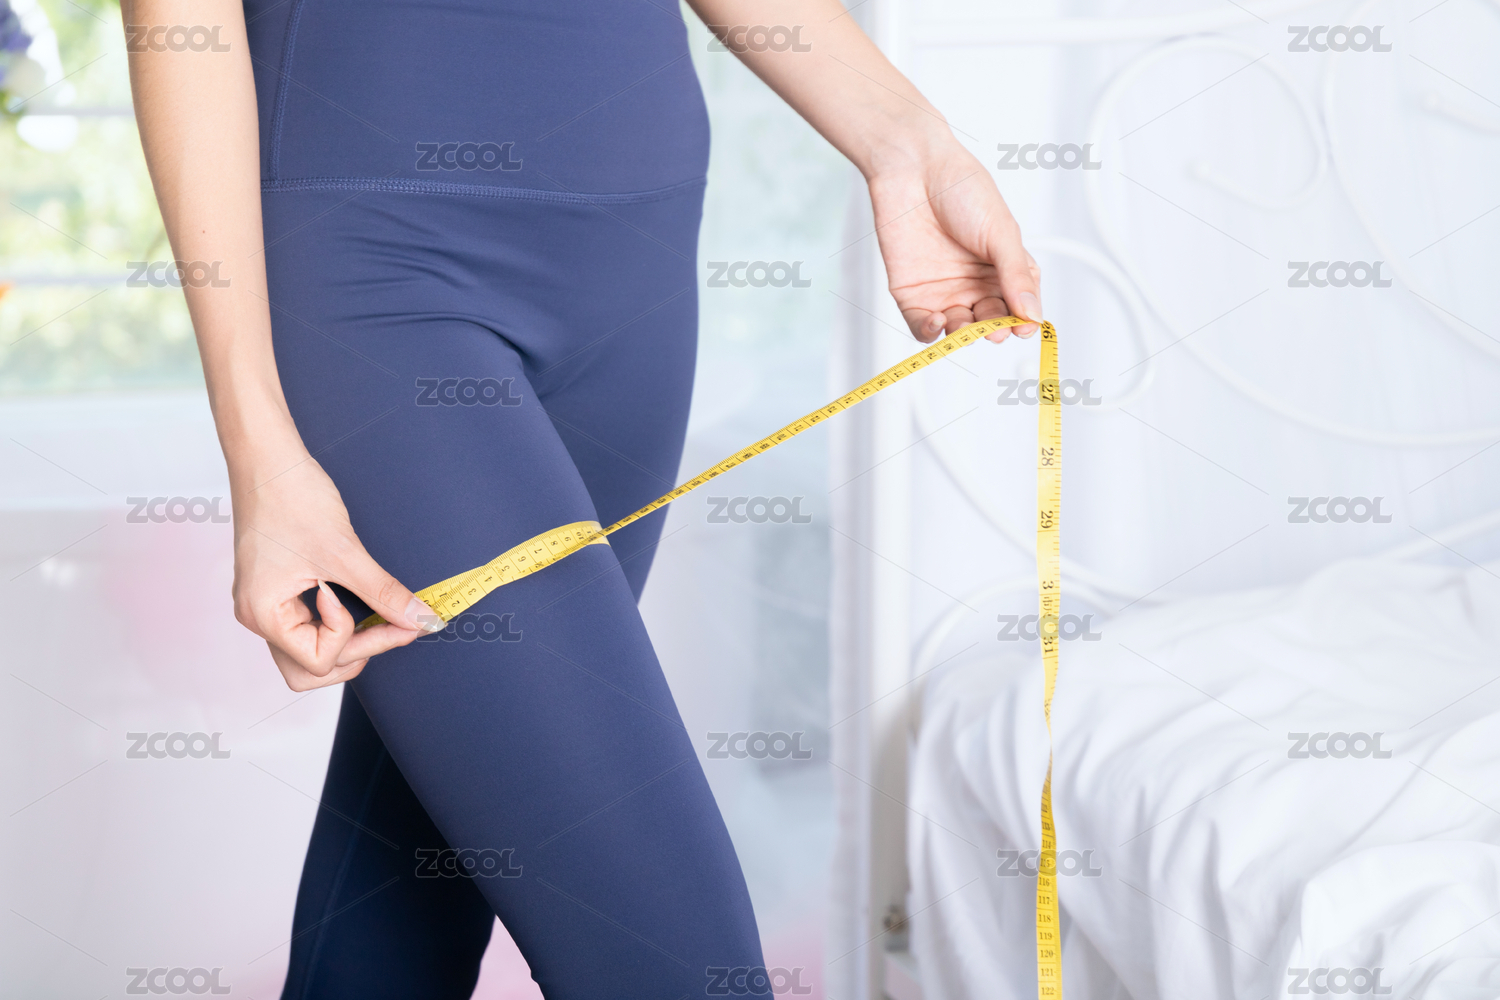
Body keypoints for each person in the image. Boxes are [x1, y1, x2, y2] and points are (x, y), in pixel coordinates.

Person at [125, 0, 1041, 996]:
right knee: (679, 968)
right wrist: (259, 448)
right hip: (378, 259)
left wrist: (909, 146)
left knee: (415, 869)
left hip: (637, 253)